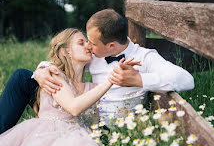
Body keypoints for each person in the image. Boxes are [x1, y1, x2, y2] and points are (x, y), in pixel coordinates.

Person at [0, 9, 194, 133]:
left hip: (108, 128)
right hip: (78, 110)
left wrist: (139, 80)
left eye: (92, 43)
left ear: (110, 46)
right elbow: (66, 58)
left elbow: (187, 80)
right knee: (21, 77)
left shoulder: (145, 58)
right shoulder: (95, 56)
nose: (89, 47)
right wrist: (41, 70)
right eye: (85, 42)